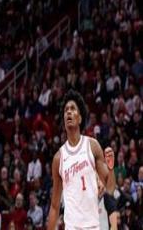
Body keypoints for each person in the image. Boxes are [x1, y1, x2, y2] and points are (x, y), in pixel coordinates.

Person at [47, 89, 116, 230]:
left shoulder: (92, 146)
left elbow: (110, 189)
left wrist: (111, 169)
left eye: (72, 109)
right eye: (66, 110)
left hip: (93, 226)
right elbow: (54, 206)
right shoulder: (58, 158)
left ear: (79, 118)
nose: (68, 112)